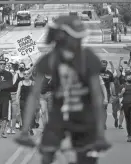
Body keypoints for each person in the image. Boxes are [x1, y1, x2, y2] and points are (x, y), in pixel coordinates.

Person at [15, 15, 111, 164]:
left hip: (84, 117)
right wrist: (24, 130)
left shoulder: (89, 58)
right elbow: (34, 96)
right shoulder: (48, 60)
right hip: (58, 117)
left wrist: (100, 135)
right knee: (47, 154)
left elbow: (97, 97)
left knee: (88, 158)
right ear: (60, 37)